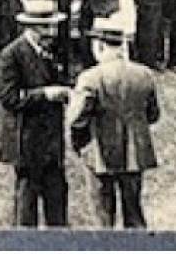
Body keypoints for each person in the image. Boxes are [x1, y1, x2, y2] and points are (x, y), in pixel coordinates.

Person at [67, 15, 159, 229]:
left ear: (99, 45)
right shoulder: (144, 74)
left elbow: (76, 119)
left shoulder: (90, 78)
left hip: (100, 154)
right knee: (134, 215)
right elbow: (153, 115)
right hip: (135, 154)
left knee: (103, 217)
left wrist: (80, 145)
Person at [0, 0, 72, 227]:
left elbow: (62, 80)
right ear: (31, 27)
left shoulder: (54, 50)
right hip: (26, 141)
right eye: (46, 27)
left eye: (53, 26)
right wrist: (45, 94)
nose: (52, 32)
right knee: (27, 203)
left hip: (52, 141)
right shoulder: (11, 55)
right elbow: (9, 99)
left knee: (57, 201)